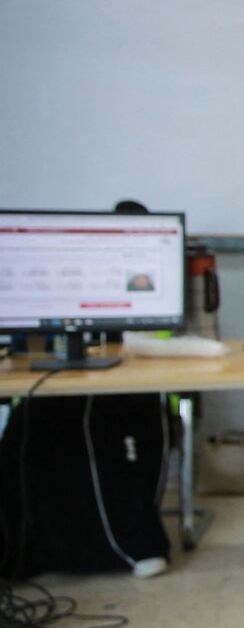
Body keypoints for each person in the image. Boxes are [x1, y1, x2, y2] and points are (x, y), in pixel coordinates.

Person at [0, 199, 170, 581]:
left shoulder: (167, 274)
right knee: (30, 425)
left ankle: (129, 544)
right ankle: (27, 546)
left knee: (109, 431)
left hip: (138, 385)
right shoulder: (82, 270)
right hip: (66, 377)